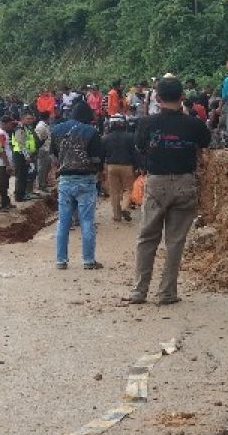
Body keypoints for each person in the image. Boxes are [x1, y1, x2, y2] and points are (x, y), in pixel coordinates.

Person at [124, 77, 211, 306]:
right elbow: (205, 143)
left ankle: (139, 291)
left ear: (158, 98)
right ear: (182, 97)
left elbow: (140, 147)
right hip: (185, 183)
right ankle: (167, 293)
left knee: (147, 238)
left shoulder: (146, 123)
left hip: (156, 183)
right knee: (175, 241)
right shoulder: (193, 124)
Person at [51, 102, 105, 269]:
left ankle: (61, 260)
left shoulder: (57, 130)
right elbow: (98, 158)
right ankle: (88, 260)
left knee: (63, 222)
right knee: (87, 221)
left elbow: (54, 155)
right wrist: (99, 171)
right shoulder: (91, 132)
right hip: (86, 180)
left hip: (65, 180)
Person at [102, 116, 138, 222]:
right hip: (127, 166)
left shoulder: (105, 138)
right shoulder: (131, 137)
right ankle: (124, 208)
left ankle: (117, 216)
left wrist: (101, 169)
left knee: (114, 191)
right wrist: (139, 166)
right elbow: (135, 153)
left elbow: (102, 155)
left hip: (111, 167)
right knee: (128, 189)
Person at [10, 111, 37, 201]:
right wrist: (26, 155)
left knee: (24, 175)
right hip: (20, 154)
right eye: (28, 119)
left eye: (31, 119)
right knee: (20, 176)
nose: (30, 120)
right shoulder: (20, 128)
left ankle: (22, 194)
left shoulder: (26, 128)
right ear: (22, 119)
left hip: (24, 154)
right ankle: (19, 196)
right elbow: (21, 143)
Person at [0, 116, 16, 211]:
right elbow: (1, 149)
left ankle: (5, 202)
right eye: (10, 124)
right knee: (2, 184)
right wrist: (7, 164)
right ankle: (3, 204)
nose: (11, 126)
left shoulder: (3, 133)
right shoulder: (0, 133)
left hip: (3, 162)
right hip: (2, 163)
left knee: (5, 184)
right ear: (5, 123)